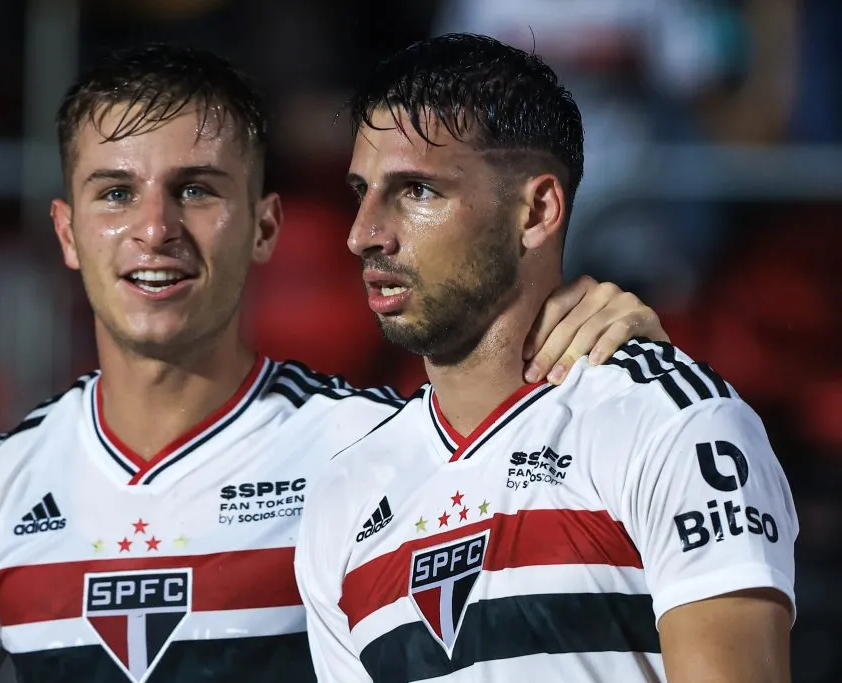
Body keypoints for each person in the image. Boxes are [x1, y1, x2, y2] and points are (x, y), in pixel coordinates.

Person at [0, 43, 671, 683]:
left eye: (196, 190)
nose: (154, 229)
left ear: (265, 227)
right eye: (114, 193)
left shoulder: (374, 449)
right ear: (68, 233)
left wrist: (619, 336)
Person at [295, 33, 796, 683]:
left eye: (416, 190)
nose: (364, 233)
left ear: (536, 210)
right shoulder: (345, 494)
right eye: (362, 190)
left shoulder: (673, 425)